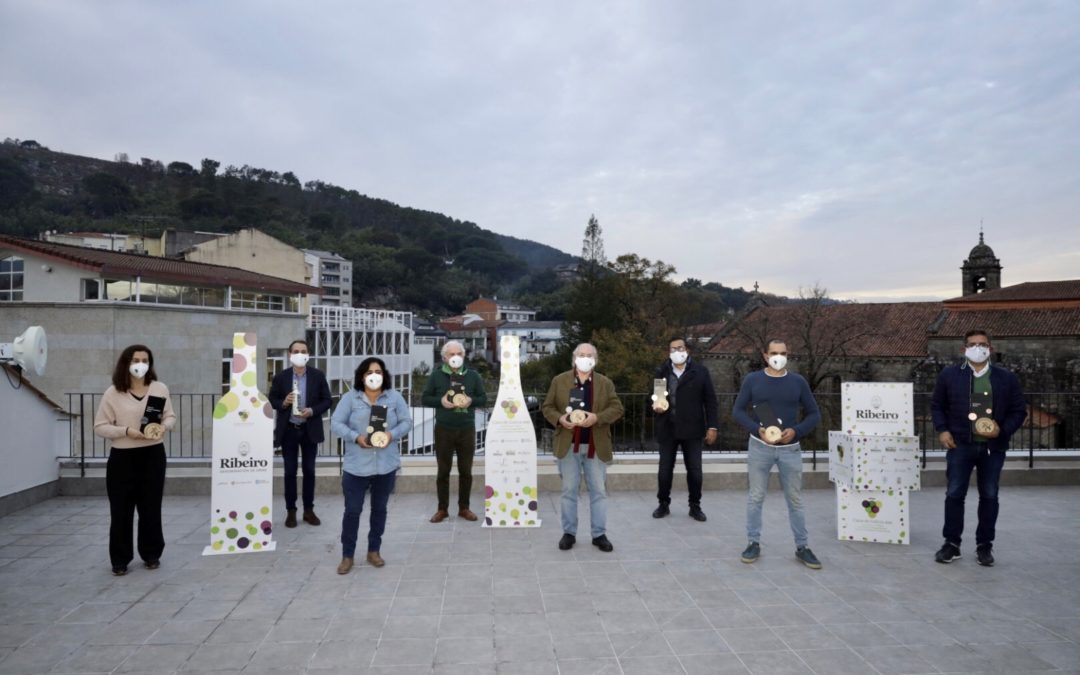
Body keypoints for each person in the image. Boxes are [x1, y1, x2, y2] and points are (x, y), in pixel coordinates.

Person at [931, 330, 1026, 566]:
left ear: (990, 348)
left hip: (993, 448)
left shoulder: (1006, 378)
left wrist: (1001, 430)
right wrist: (942, 429)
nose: (978, 348)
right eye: (972, 344)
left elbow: (1019, 411)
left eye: (982, 344)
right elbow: (937, 405)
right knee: (954, 494)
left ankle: (985, 546)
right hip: (960, 445)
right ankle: (951, 544)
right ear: (964, 349)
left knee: (990, 495)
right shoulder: (950, 375)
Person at [732, 338, 822, 569]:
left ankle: (802, 547)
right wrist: (756, 429)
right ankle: (753, 542)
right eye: (773, 352)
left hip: (790, 450)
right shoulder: (753, 380)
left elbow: (814, 414)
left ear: (787, 354)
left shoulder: (798, 382)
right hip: (759, 448)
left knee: (795, 500)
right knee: (755, 497)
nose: (778, 356)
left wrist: (797, 431)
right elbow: (738, 411)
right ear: (765, 355)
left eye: (782, 352)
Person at [93, 345, 176, 576]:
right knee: (121, 510)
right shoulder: (113, 393)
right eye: (136, 359)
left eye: (145, 360)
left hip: (153, 455)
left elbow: (170, 416)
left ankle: (151, 554)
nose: (141, 364)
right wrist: (126, 431)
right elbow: (100, 426)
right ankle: (120, 559)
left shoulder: (160, 388)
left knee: (151, 507)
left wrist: (163, 426)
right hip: (123, 457)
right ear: (126, 363)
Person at [330, 357, 411, 574]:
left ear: (384, 375)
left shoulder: (394, 398)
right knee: (352, 511)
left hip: (385, 465)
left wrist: (391, 434)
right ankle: (347, 555)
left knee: (379, 510)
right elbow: (336, 423)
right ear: (362, 376)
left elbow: (406, 422)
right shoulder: (350, 398)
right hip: (356, 466)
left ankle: (374, 550)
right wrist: (356, 437)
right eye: (369, 372)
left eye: (378, 371)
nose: (374, 375)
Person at [542, 343, 624, 553]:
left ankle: (599, 534)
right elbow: (547, 407)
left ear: (595, 360)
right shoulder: (559, 381)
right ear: (574, 358)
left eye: (589, 355)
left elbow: (617, 408)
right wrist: (560, 419)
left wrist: (597, 417)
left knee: (598, 491)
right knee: (569, 491)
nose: (585, 358)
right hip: (568, 445)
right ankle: (569, 533)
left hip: (595, 445)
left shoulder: (605, 383)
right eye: (581, 355)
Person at [651, 336, 719, 521]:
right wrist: (656, 405)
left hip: (693, 429)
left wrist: (712, 426)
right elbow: (655, 396)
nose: (676, 352)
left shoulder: (701, 371)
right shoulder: (662, 371)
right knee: (665, 470)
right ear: (668, 352)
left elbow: (710, 401)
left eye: (679, 348)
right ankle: (663, 504)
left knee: (695, 470)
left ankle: (695, 506)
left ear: (686, 349)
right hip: (667, 428)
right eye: (672, 349)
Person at [421, 340, 487, 523]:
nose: (455, 357)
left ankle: (464, 508)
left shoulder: (473, 376)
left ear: (464, 356)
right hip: (444, 429)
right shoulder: (436, 376)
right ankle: (442, 509)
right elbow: (425, 398)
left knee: (466, 471)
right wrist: (440, 402)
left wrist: (471, 401)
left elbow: (483, 398)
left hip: (467, 429)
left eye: (459, 354)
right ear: (444, 357)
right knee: (443, 471)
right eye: (451, 354)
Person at [268, 340, 332, 528]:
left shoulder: (318, 376)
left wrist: (312, 410)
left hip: (309, 430)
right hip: (288, 430)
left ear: (308, 354)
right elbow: (272, 399)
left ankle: (309, 510)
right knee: (289, 472)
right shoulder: (281, 377)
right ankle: (291, 511)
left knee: (309, 471)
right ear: (290, 354)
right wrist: (284, 403)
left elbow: (327, 400)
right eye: (296, 351)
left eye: (303, 351)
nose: (299, 354)